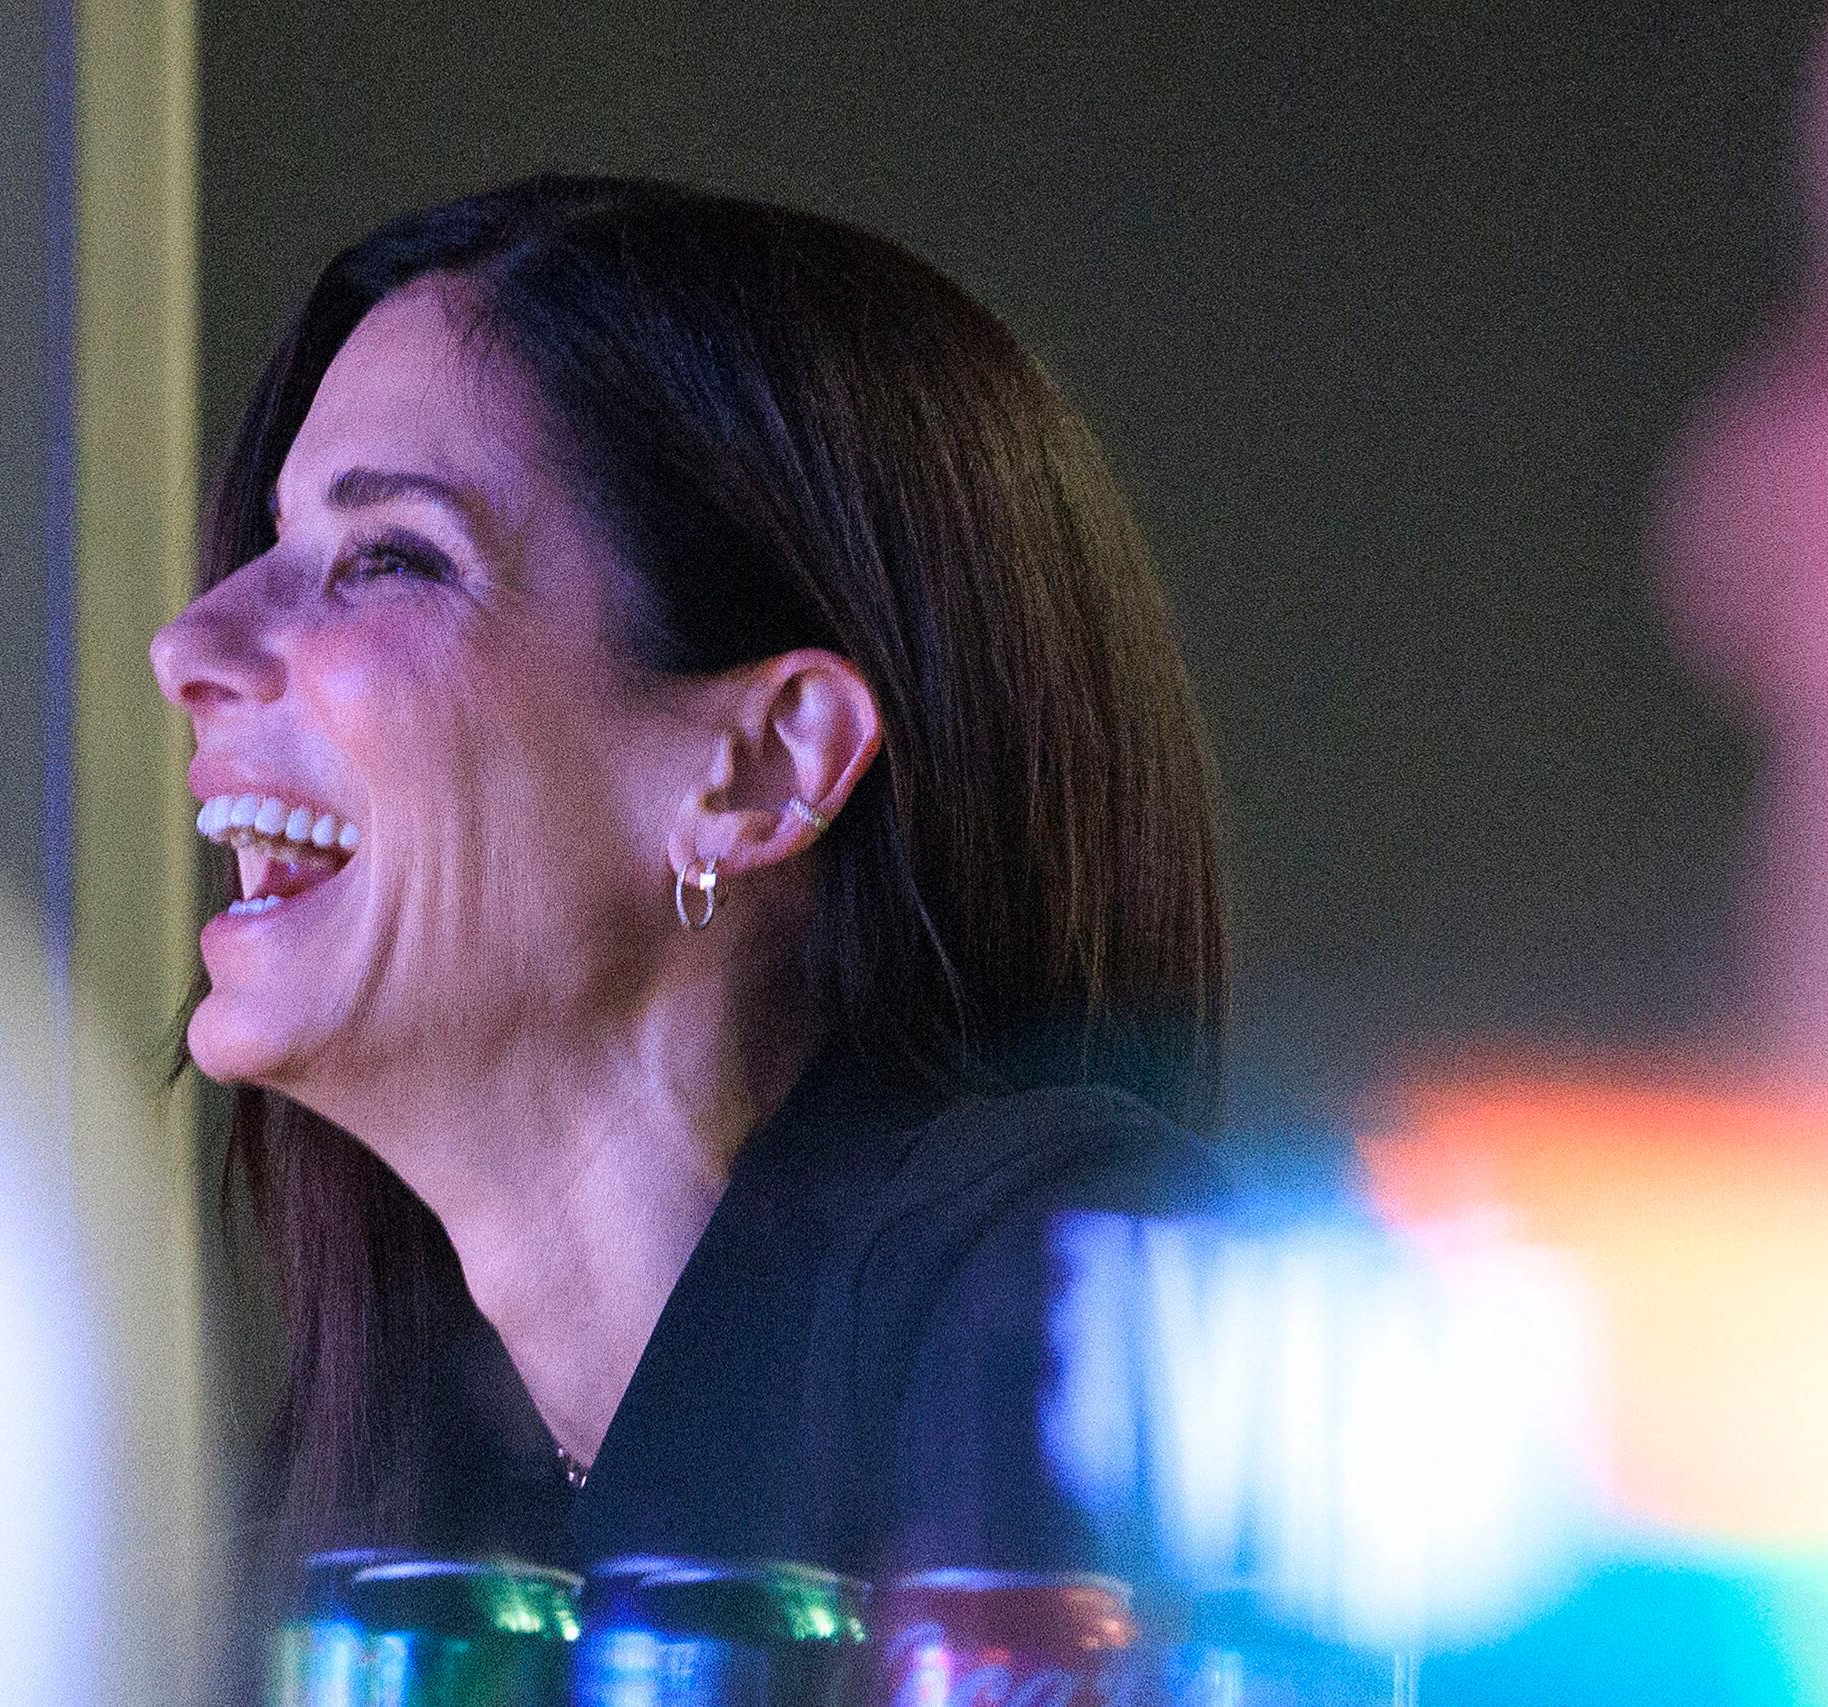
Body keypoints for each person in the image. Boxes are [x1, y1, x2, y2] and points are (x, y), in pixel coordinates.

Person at [148, 176, 1232, 1586]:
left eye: (389, 558)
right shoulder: (363, 1526)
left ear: (763, 769)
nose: (193, 644)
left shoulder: (1069, 1313)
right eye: (273, 550)